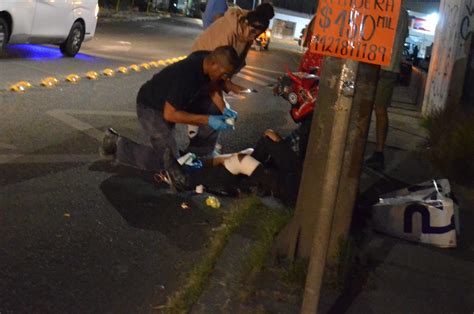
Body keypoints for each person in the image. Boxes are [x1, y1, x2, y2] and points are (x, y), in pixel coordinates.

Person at [99, 46, 240, 172]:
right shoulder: (187, 76)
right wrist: (208, 120)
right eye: (224, 74)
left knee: (214, 108)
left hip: (175, 102)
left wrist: (224, 109)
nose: (225, 78)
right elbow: (170, 114)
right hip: (152, 107)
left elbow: (213, 86)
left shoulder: (206, 58)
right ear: (214, 64)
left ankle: (198, 155)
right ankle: (117, 146)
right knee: (168, 162)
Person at [163, 111, 313, 206]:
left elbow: (296, 162)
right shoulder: (314, 123)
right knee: (249, 154)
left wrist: (277, 143)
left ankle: (187, 180)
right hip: (291, 169)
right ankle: (198, 167)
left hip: (291, 183)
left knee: (242, 162)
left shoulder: (316, 128)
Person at [185, 3, 275, 156]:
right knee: (215, 110)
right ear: (245, 22)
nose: (253, 38)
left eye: (257, 36)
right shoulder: (226, 33)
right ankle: (199, 153)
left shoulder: (247, 28)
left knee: (213, 110)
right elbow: (213, 78)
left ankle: (200, 149)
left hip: (211, 76)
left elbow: (227, 70)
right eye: (252, 32)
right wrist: (224, 105)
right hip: (197, 72)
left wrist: (229, 85)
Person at [365, 7, 409, 171]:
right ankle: (378, 151)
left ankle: (377, 153)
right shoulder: (403, 13)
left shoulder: (386, 8)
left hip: (379, 65)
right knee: (380, 110)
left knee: (373, 108)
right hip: (390, 67)